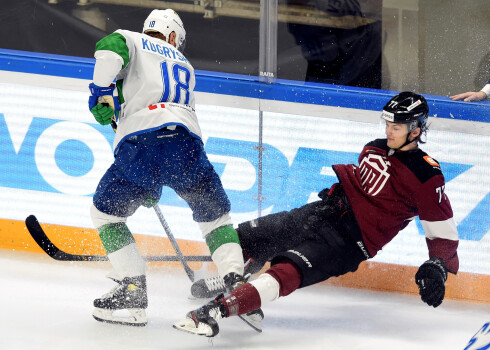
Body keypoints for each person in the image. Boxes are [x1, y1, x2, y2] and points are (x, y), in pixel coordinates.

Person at [173, 91, 459, 337]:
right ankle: (235, 280)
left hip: (348, 241)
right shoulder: (375, 147)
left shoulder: (426, 174)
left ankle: (222, 308)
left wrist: (439, 265)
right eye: (387, 123)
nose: (389, 131)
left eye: (396, 126)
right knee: (248, 235)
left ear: (416, 131)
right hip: (324, 213)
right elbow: (366, 185)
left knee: (287, 270)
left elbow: (441, 226)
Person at [87, 9, 261, 327]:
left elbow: (108, 48)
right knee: (215, 218)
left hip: (142, 147)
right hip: (187, 145)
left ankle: (132, 291)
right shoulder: (185, 65)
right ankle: (238, 285)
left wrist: (101, 92)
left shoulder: (134, 40)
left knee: (106, 215)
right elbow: (161, 106)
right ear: (172, 38)